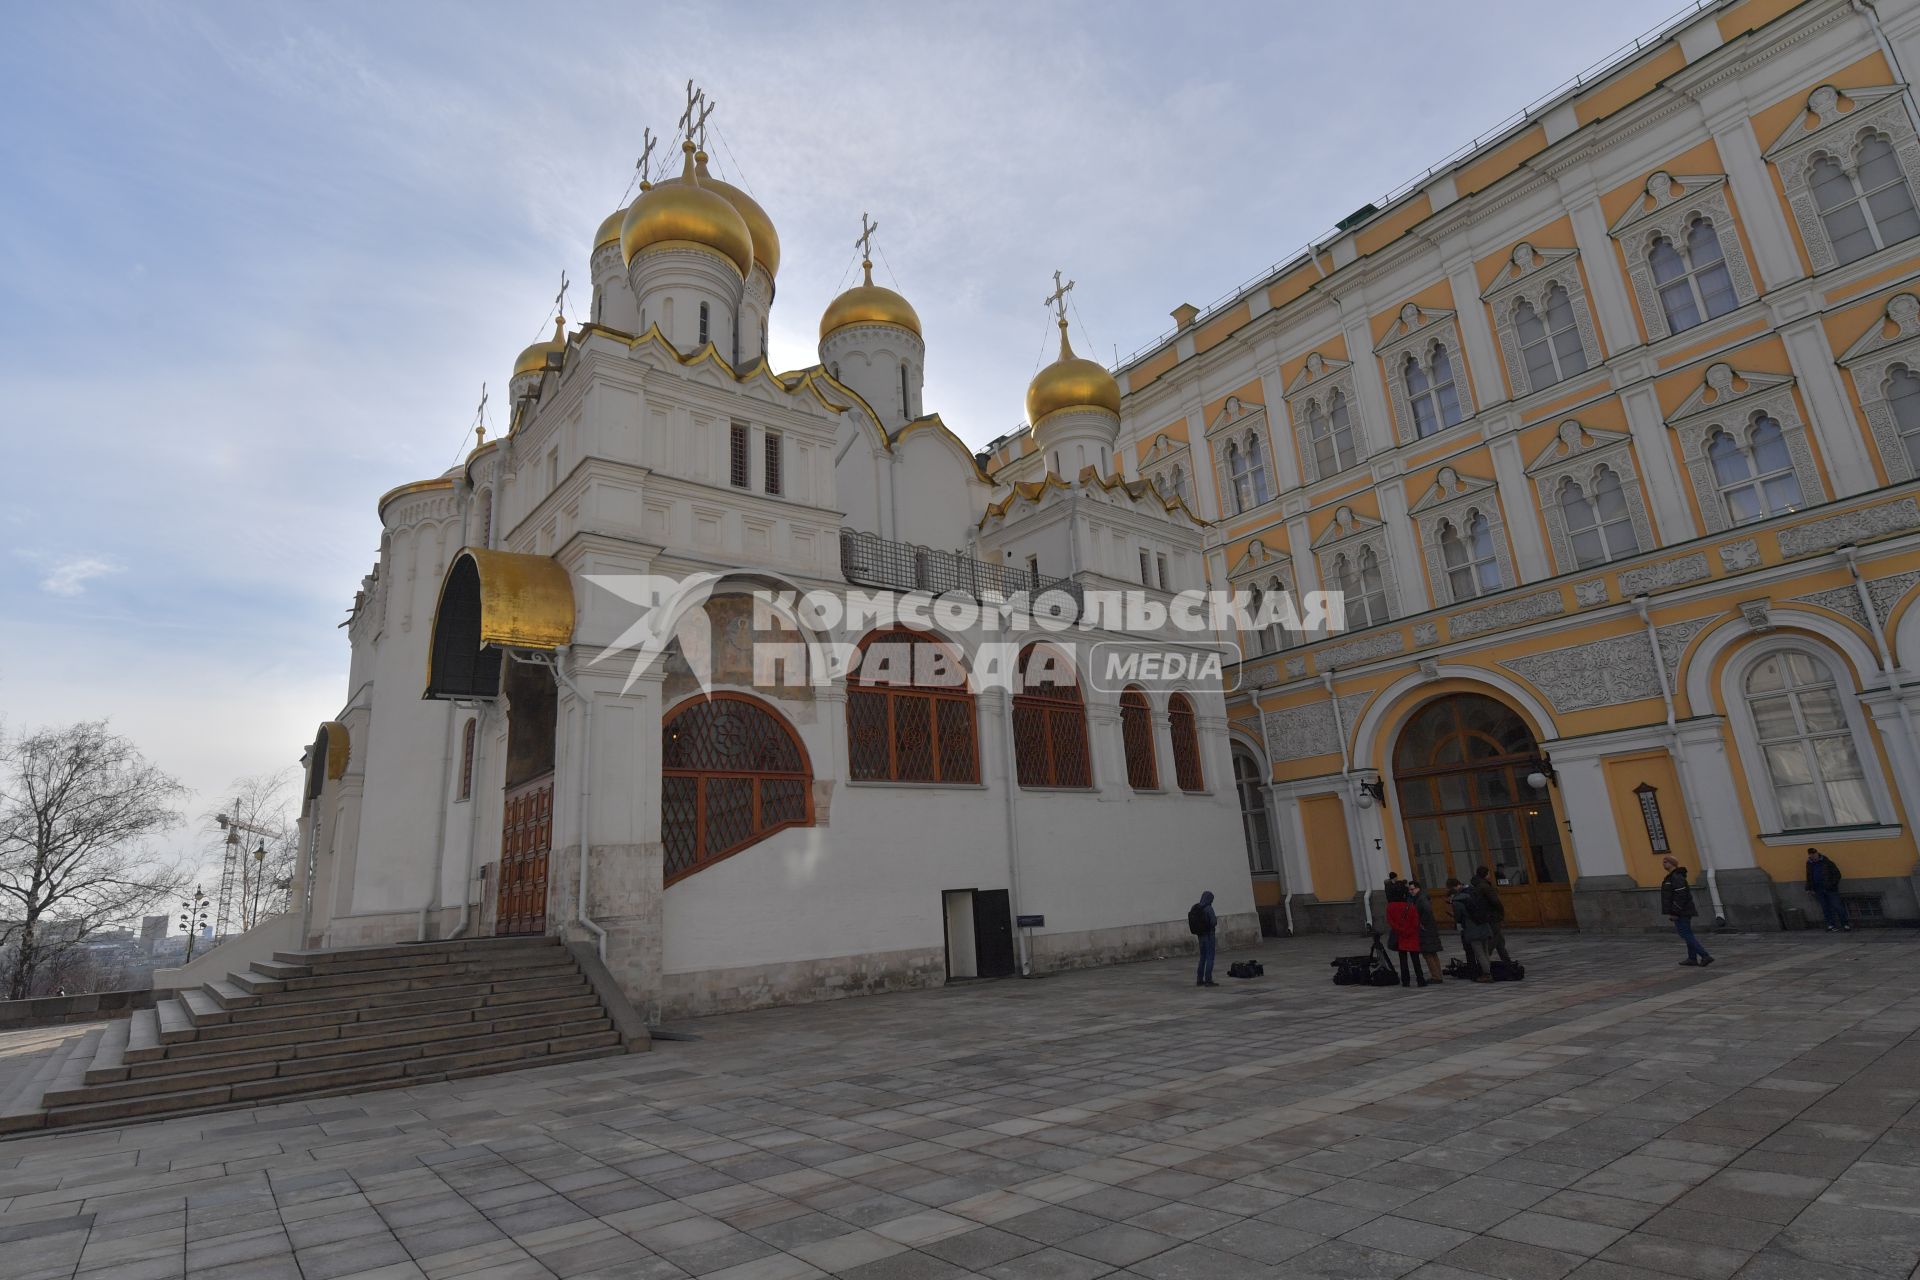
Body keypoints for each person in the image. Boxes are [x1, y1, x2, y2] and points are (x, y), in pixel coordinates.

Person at [1660, 856, 1714, 967]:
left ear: (1672, 863)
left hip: (1682, 911)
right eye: (1663, 862)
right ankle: (1692, 958)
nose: (1663, 864)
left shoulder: (1676, 877)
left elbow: (1681, 895)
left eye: (1666, 862)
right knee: (1687, 933)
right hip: (1682, 910)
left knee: (1685, 934)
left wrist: (1675, 912)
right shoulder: (1672, 877)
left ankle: (1704, 956)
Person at [1446, 877, 1493, 982]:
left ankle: (1487, 974)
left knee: (1479, 953)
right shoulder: (1470, 895)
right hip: (1483, 925)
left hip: (1472, 929)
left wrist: (1453, 916)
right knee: (1485, 951)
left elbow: (1459, 917)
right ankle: (1488, 971)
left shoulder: (1457, 902)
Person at [1384, 882, 1427, 988]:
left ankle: (1405, 981)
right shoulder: (1410, 906)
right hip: (1411, 935)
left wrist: (1400, 930)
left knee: (1402, 960)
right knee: (1415, 959)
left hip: (1400, 935)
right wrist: (1409, 931)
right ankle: (1420, 979)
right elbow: (1415, 922)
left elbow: (1391, 922)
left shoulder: (1390, 907)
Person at [1471, 866, 1513, 964]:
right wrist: (1501, 913)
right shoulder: (1485, 887)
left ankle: (1507, 961)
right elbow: (1495, 902)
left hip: (1487, 915)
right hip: (1492, 916)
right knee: (1494, 938)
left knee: (1499, 940)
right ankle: (1484, 960)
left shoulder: (1477, 885)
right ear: (1486, 874)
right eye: (1489, 873)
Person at [1407, 875, 1444, 982]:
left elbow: (1427, 910)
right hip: (1429, 929)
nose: (1411, 891)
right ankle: (1438, 975)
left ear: (1418, 888)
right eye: (1409, 890)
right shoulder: (1421, 897)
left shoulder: (1421, 898)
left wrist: (1422, 922)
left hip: (1425, 929)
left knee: (1428, 953)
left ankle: (1436, 976)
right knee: (1432, 952)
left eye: (1412, 889)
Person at [1805, 847, 1851, 932]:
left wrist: (1832, 884)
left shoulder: (1827, 862)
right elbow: (1809, 876)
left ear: (1817, 853)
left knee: (1837, 906)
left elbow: (1837, 874)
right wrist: (1808, 887)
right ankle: (1831, 925)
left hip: (1830, 889)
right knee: (1825, 908)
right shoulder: (1809, 864)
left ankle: (1845, 924)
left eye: (1814, 854)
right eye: (1811, 855)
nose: (1813, 856)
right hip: (1818, 889)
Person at [1190, 890, 1218, 987]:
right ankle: (1208, 980)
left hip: (1200, 936)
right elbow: (1213, 922)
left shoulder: (1195, 907)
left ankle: (1199, 979)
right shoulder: (1209, 908)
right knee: (1210, 957)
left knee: (1202, 957)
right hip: (1209, 935)